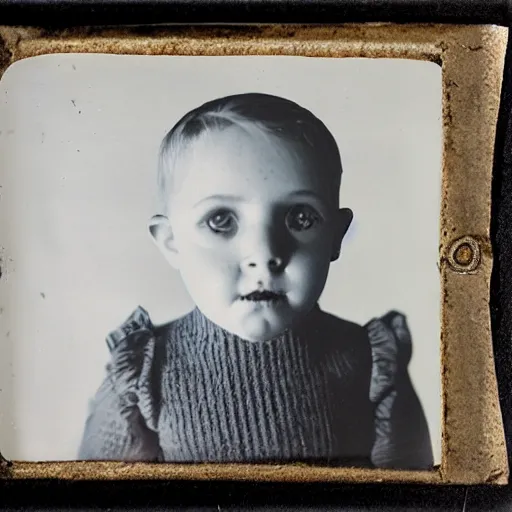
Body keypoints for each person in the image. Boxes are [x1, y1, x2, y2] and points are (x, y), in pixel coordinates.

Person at [78, 93, 433, 468]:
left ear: (335, 236)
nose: (264, 253)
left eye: (300, 218)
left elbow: (414, 492)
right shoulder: (142, 378)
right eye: (221, 220)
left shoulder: (369, 363)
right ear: (171, 243)